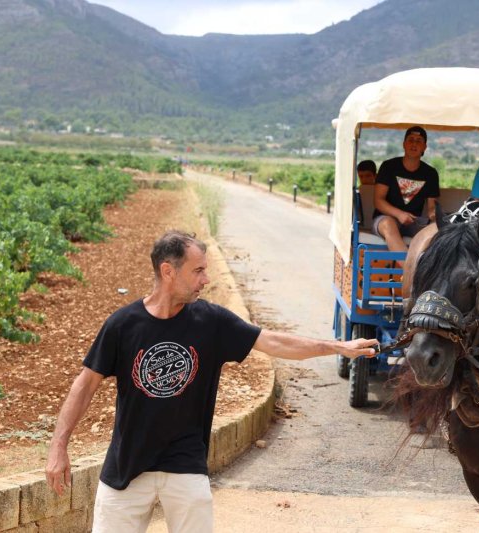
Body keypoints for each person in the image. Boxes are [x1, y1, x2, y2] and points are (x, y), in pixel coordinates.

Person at [45, 230, 377, 533]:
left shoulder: (211, 321)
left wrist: (338, 347)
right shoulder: (122, 325)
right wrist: (59, 446)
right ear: (168, 271)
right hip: (126, 465)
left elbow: (274, 342)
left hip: (185, 464)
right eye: (198, 270)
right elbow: (84, 385)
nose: (206, 279)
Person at [372, 126, 440, 252]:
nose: (414, 144)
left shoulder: (431, 173)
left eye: (419, 141)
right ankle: (410, 271)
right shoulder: (389, 166)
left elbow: (431, 207)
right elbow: (378, 201)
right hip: (385, 218)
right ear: (404, 144)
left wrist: (435, 215)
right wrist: (399, 214)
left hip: (414, 222)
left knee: (437, 231)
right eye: (411, 140)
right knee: (388, 224)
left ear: (424, 147)